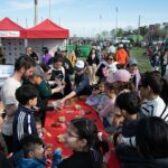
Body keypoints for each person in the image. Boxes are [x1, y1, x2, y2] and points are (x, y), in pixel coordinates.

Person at [1, 56, 36, 153]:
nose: (31, 74)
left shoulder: (17, 82)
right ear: (22, 69)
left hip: (17, 127)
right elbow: (10, 111)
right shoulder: (10, 85)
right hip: (11, 131)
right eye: (30, 71)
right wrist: (28, 105)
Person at [13, 84, 39, 152]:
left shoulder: (26, 108)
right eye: (35, 97)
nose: (37, 99)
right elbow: (20, 139)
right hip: (28, 152)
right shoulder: (23, 117)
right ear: (30, 101)